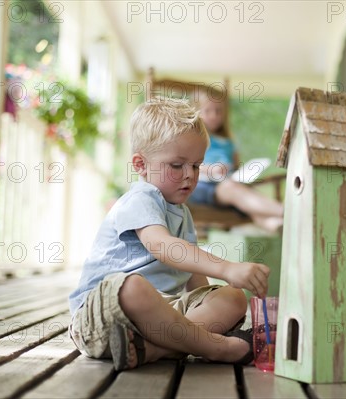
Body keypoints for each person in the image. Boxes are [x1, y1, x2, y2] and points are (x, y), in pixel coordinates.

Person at [68, 97, 270, 371]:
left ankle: (152, 351)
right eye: (177, 165)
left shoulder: (182, 211)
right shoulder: (140, 198)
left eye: (197, 166)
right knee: (133, 286)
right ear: (140, 164)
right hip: (105, 317)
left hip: (159, 323)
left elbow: (194, 281)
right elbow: (164, 247)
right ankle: (216, 347)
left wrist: (212, 299)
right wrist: (227, 267)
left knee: (232, 297)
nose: (190, 175)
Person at [188, 91, 284, 233]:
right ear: (196, 112)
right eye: (207, 111)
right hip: (203, 185)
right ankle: (287, 212)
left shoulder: (228, 142)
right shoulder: (194, 137)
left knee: (246, 200)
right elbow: (187, 165)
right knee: (234, 190)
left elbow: (235, 166)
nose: (214, 115)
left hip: (229, 185)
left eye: (218, 111)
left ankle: (277, 224)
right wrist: (210, 169)